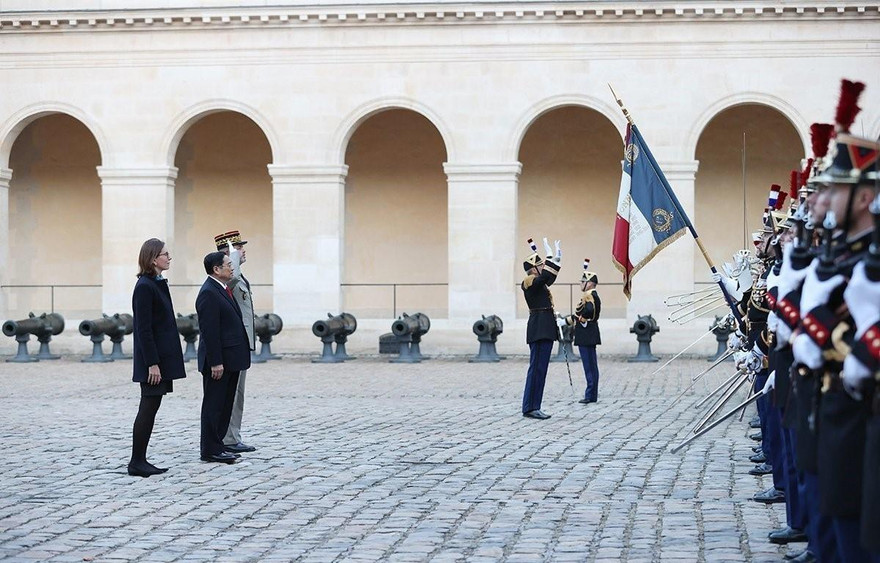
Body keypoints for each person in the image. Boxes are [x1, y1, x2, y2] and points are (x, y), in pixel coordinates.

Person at [128, 238, 186, 477]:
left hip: (160, 358)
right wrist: (152, 363)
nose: (169, 257)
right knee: (148, 407)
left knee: (152, 406)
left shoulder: (157, 283)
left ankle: (140, 459)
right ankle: (137, 461)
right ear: (153, 258)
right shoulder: (144, 286)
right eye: (165, 254)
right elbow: (143, 329)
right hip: (152, 361)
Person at [196, 251, 251, 464]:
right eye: (229, 264)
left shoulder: (222, 289)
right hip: (219, 362)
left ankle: (218, 446)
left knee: (225, 405)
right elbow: (210, 332)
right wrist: (216, 361)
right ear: (216, 269)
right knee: (214, 405)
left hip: (231, 359)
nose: (232, 267)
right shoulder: (209, 292)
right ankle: (210, 449)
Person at [214, 230, 257, 454]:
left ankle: (232, 435)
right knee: (232, 395)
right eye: (239, 248)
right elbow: (232, 278)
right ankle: (228, 438)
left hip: (242, 343)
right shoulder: (229, 276)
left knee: (238, 395)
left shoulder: (238, 276)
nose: (243, 251)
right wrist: (233, 256)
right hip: (233, 345)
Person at [521, 237, 561, 420]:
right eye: (541, 265)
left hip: (544, 328)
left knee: (541, 369)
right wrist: (550, 258)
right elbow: (545, 277)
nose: (543, 268)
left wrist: (556, 261)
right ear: (534, 268)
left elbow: (549, 278)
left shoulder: (539, 283)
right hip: (539, 329)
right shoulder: (529, 282)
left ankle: (534, 405)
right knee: (536, 368)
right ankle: (530, 407)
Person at [571, 259, 601, 404]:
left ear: (589, 283)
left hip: (587, 333)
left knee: (589, 366)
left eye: (583, 281)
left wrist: (581, 318)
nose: (580, 284)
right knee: (591, 365)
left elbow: (589, 311)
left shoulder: (589, 296)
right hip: (589, 333)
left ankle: (590, 395)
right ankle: (592, 394)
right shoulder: (591, 295)